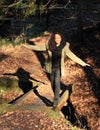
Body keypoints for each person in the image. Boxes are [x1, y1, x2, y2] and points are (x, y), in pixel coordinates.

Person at [22, 32, 90, 110]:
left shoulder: (64, 47)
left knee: (57, 83)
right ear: (53, 39)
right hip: (50, 68)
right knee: (53, 85)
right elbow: (39, 48)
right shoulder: (50, 45)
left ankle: (55, 101)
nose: (57, 40)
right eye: (56, 38)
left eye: (59, 38)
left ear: (61, 38)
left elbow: (72, 56)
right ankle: (56, 95)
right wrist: (27, 46)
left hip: (58, 68)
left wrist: (83, 64)